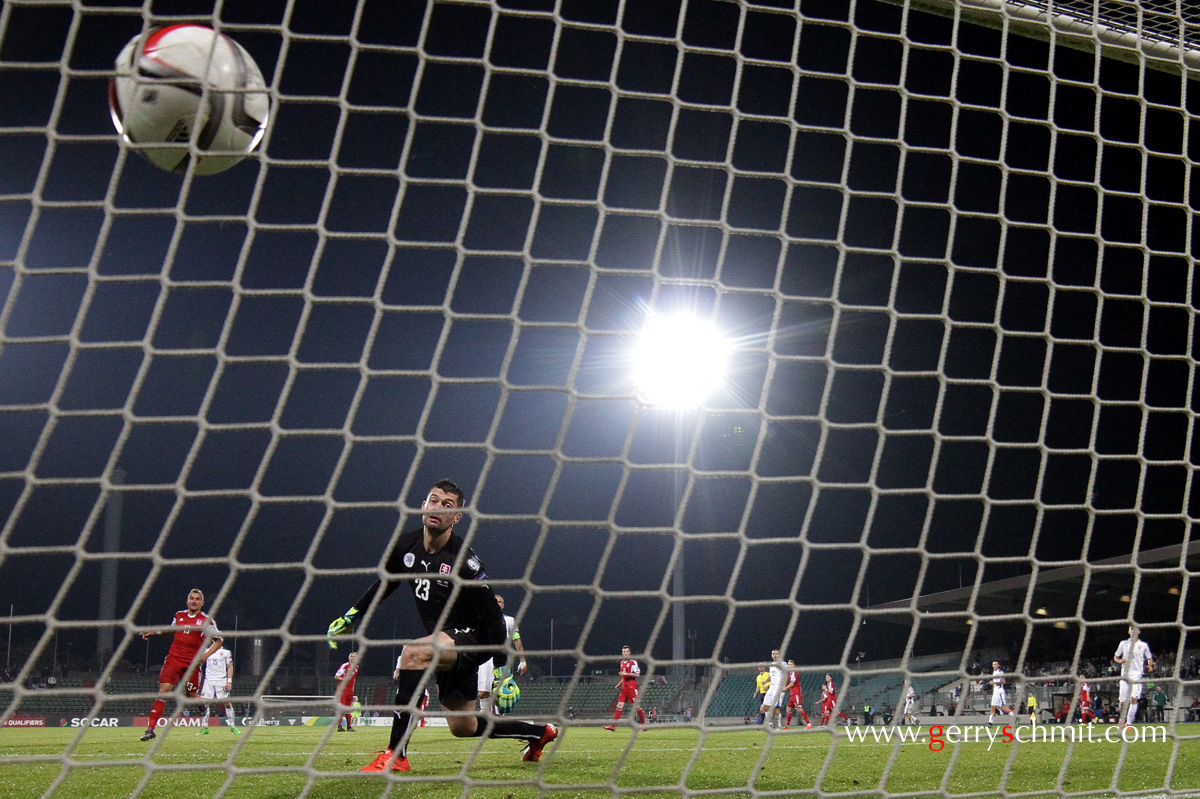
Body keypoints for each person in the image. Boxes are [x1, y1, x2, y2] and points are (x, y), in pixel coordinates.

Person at [326, 479, 556, 773]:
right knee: (463, 726)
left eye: (447, 505)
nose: (438, 508)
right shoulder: (405, 545)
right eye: (433, 500)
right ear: (423, 506)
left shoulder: (465, 562)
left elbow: (493, 618)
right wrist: (353, 614)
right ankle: (540, 733)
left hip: (477, 638)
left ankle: (396, 755)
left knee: (413, 652)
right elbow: (386, 583)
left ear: (456, 518)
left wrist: (502, 671)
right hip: (448, 643)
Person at [139, 588, 223, 741]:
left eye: (197, 599)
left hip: (192, 663)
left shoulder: (206, 620)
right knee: (164, 691)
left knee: (190, 695)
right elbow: (172, 630)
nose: (194, 601)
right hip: (174, 659)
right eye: (192, 598)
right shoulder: (179, 615)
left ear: (202, 603)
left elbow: (219, 640)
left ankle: (199, 703)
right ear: (187, 601)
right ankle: (150, 729)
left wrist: (204, 657)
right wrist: (153, 632)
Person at [476, 594, 528, 714]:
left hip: (502, 660)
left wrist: (522, 660)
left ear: (503, 605)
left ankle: (500, 720)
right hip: (485, 659)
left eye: (499, 601)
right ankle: (485, 716)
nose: (496, 603)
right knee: (483, 692)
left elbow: (516, 639)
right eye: (493, 601)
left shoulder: (510, 620)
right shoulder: (480, 619)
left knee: (503, 693)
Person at [1114, 623, 1154, 730]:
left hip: (1137, 675)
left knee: (1133, 699)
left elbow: (1149, 657)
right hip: (1124, 675)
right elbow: (1115, 657)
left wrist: (1150, 666)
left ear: (1139, 632)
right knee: (1122, 701)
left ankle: (1129, 723)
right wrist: (1119, 660)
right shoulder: (1123, 643)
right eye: (1131, 629)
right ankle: (1121, 720)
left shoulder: (1143, 645)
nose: (1134, 631)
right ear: (1129, 632)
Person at [197, 645, 239, 735]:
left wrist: (229, 681)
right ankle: (204, 727)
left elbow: (230, 667)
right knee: (205, 704)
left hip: (221, 680)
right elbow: (199, 663)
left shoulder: (226, 652)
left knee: (226, 703)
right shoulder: (206, 650)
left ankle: (232, 726)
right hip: (209, 680)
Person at [603, 645, 647, 730]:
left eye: (627, 651)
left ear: (629, 653)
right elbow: (623, 677)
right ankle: (613, 726)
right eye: (623, 652)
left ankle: (643, 725)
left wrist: (626, 674)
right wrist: (619, 684)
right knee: (619, 706)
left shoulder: (633, 662)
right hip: (624, 688)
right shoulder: (622, 663)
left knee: (636, 706)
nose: (625, 653)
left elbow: (637, 674)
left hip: (632, 687)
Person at [757, 650, 785, 729]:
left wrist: (783, 686)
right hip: (771, 688)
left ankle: (778, 725)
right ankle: (770, 724)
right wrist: (766, 681)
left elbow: (786, 674)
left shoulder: (783, 664)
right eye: (773, 654)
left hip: (777, 687)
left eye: (776, 654)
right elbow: (771, 676)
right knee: (764, 706)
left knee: (776, 707)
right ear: (771, 655)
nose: (775, 655)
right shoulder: (772, 665)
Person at [334, 652, 359, 732]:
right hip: (342, 689)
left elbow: (354, 679)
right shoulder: (345, 666)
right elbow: (336, 676)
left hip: (350, 690)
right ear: (349, 658)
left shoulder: (356, 667)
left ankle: (349, 727)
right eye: (351, 656)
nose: (353, 658)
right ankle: (339, 726)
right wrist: (344, 679)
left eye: (354, 656)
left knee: (349, 709)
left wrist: (352, 689)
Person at [784, 660, 812, 729]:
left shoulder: (794, 672)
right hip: (792, 694)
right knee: (789, 709)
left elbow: (792, 684)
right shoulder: (790, 673)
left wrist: (785, 688)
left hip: (796, 694)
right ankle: (787, 726)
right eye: (788, 664)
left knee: (799, 709)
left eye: (791, 664)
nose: (789, 666)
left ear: (794, 665)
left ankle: (809, 724)